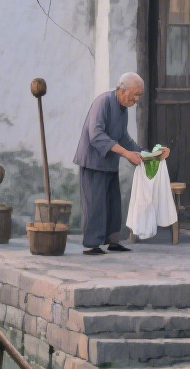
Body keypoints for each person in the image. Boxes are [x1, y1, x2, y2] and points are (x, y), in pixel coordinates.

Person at [72, 72, 168, 255]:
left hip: (109, 162)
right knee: (95, 204)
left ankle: (112, 241)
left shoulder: (123, 108)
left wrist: (147, 155)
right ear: (122, 90)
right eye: (135, 94)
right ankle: (92, 244)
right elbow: (96, 135)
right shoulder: (103, 102)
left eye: (139, 95)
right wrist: (125, 153)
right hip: (92, 162)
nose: (137, 99)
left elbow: (123, 138)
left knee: (113, 204)